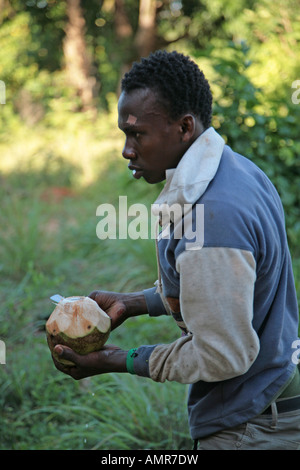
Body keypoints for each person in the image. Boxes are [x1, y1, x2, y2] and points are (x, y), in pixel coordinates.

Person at [52, 50, 300, 450]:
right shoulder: (234, 170)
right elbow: (218, 287)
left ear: (185, 127)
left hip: (252, 426)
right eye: (124, 134)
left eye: (137, 134)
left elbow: (223, 356)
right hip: (270, 400)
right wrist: (134, 303)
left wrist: (121, 360)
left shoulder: (216, 217)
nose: (126, 150)